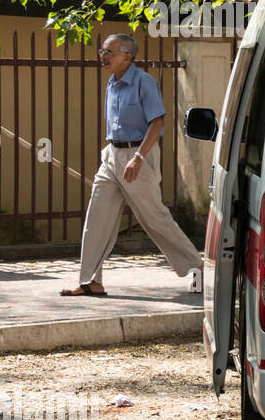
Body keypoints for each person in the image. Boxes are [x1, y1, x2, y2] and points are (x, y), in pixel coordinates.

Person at [61, 33, 203, 296]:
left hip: (139, 155)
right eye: (102, 51)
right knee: (97, 216)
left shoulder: (144, 83)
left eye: (109, 52)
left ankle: (197, 271)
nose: (103, 56)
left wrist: (137, 158)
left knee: (155, 219)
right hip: (112, 155)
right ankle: (90, 281)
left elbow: (157, 123)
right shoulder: (112, 84)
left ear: (127, 56)